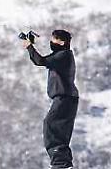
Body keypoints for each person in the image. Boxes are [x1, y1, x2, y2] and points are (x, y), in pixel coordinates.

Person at [24, 29, 80, 169]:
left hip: (64, 97)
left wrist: (29, 47)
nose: (51, 43)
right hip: (66, 98)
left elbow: (40, 61)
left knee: (51, 125)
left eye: (54, 40)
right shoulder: (61, 56)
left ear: (62, 42)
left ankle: (60, 163)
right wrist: (31, 46)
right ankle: (63, 163)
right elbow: (42, 59)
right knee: (59, 129)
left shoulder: (63, 56)